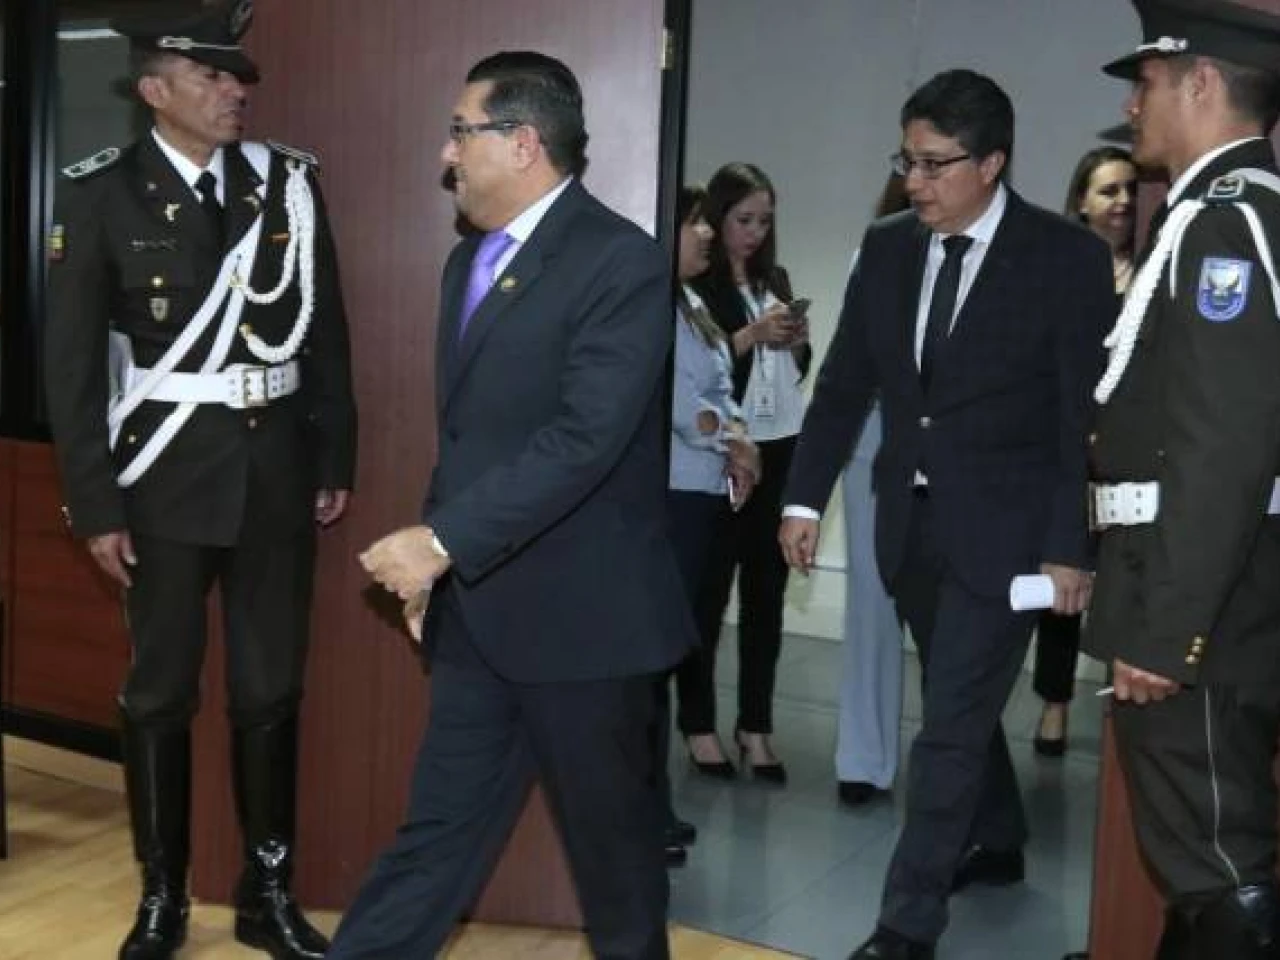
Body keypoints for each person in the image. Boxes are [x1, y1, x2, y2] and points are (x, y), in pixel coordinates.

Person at [328, 51, 694, 960]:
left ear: (523, 141)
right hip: (481, 618)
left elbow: (584, 440)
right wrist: (437, 565)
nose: (446, 153)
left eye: (461, 131)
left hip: (588, 629)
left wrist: (440, 540)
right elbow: (468, 439)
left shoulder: (620, 262)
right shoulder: (468, 262)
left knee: (614, 870)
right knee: (435, 840)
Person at [43, 2, 355, 958]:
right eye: (212, 78)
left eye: (237, 78)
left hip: (275, 478)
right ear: (154, 91)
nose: (234, 93)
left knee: (270, 690)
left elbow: (326, 332)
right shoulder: (100, 192)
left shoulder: (286, 185)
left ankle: (267, 895)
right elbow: (70, 368)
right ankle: (161, 898)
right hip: (163, 480)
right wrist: (95, 504)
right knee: (159, 694)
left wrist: (333, 457)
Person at [779, 69, 1113, 959]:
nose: (915, 181)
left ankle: (906, 924)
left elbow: (1077, 420)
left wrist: (1069, 548)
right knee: (957, 696)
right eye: (907, 161)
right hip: (909, 528)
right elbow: (844, 383)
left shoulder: (1064, 257)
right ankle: (997, 839)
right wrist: (804, 496)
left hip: (1010, 538)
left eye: (935, 164)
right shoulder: (889, 246)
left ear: (992, 162)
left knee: (949, 726)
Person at [1085, 1, 1280, 956]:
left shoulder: (1224, 224)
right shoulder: (1225, 211)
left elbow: (1222, 443)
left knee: (1220, 871)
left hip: (1198, 603)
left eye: (1148, 82)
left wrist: (1168, 632)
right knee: (1203, 865)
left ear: (1201, 82)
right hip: (1206, 588)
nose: (1133, 106)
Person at [681, 162, 811, 784]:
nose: (755, 233)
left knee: (767, 596)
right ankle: (698, 724)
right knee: (707, 596)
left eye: (764, 221)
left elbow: (797, 368)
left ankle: (755, 724)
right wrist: (751, 334)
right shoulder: (697, 287)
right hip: (727, 450)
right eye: (743, 220)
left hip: (780, 445)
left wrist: (794, 340)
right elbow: (701, 369)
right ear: (717, 218)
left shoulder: (774, 279)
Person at [657, 185, 761, 864]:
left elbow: (719, 391)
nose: (705, 234)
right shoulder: (650, 306)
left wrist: (737, 434)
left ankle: (654, 802)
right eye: (694, 223)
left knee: (687, 636)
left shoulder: (693, 303)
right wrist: (731, 437)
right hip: (671, 494)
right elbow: (682, 406)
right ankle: (645, 804)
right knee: (658, 653)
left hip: (705, 491)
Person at [1032, 145, 1138, 757]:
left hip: (1129, 456)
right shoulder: (1060, 271)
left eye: (1130, 189)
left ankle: (1123, 702)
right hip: (1069, 450)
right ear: (1081, 201)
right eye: (1108, 190)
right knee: (1064, 576)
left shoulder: (1152, 270)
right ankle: (1055, 703)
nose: (1122, 201)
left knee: (1122, 580)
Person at [837, 174, 910, 808]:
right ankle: (863, 759)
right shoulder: (874, 255)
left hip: (953, 453)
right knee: (872, 602)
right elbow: (848, 369)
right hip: (874, 443)